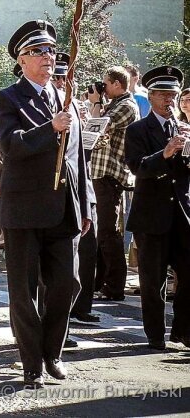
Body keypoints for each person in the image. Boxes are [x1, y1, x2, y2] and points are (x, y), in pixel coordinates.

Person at [0, 20, 91, 388]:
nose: (48, 57)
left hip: (64, 211)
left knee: (67, 284)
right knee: (24, 289)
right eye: (38, 52)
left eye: (51, 51)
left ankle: (53, 351)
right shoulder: (7, 98)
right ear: (22, 59)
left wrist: (86, 207)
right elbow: (10, 146)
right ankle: (31, 360)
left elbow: (78, 159)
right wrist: (50, 128)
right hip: (25, 210)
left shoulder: (66, 99)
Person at [124, 65, 190, 350]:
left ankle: (183, 331)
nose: (169, 101)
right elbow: (137, 167)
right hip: (151, 215)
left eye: (173, 95)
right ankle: (154, 335)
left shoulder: (183, 128)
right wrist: (164, 153)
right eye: (163, 94)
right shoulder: (137, 129)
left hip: (182, 214)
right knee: (152, 281)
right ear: (150, 96)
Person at [87, 66, 138, 305]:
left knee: (109, 231)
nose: (103, 88)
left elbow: (97, 128)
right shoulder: (115, 103)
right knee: (101, 231)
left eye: (106, 83)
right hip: (99, 171)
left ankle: (114, 285)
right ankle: (100, 281)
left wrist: (96, 102)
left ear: (118, 84)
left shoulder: (127, 106)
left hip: (111, 173)